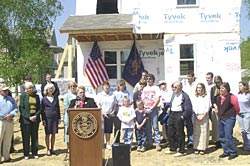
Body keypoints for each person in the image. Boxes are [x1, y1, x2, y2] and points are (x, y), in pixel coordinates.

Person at [165, 81, 192, 157]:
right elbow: (171, 103)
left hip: (179, 114)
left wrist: (183, 116)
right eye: (173, 87)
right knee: (170, 132)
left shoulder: (185, 96)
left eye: (175, 87)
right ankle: (173, 148)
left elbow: (188, 108)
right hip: (172, 114)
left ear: (180, 87)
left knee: (179, 133)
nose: (174, 89)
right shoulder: (173, 94)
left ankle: (181, 150)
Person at [214, 82, 240, 160]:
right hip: (221, 118)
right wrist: (215, 107)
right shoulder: (218, 97)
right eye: (220, 88)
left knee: (228, 135)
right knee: (221, 135)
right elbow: (216, 104)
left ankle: (233, 152)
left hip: (229, 118)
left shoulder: (232, 97)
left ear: (227, 89)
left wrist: (233, 115)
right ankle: (226, 151)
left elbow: (237, 108)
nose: (221, 89)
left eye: (223, 88)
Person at [19, 82, 41, 160]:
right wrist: (29, 117)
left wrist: (36, 116)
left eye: (32, 87)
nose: (31, 89)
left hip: (35, 119)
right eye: (29, 88)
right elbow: (22, 108)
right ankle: (26, 153)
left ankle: (35, 153)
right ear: (26, 89)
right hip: (26, 120)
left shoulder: (37, 96)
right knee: (26, 137)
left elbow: (39, 107)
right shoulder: (23, 96)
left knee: (34, 137)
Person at [141, 73, 162, 151]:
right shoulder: (145, 89)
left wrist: (152, 107)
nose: (149, 80)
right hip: (146, 110)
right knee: (148, 127)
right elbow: (143, 99)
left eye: (150, 79)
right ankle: (150, 142)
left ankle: (157, 143)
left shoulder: (156, 88)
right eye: (147, 79)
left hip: (153, 110)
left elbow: (158, 99)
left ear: (153, 80)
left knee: (155, 127)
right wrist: (145, 107)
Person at [95, 81, 116, 149]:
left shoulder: (112, 95)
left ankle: (108, 143)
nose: (106, 87)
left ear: (109, 87)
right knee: (101, 130)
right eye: (105, 86)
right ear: (103, 87)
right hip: (101, 114)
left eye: (108, 86)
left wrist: (113, 112)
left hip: (109, 114)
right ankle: (101, 144)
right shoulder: (99, 95)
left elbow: (114, 105)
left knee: (108, 130)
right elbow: (98, 105)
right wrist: (102, 112)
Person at [41, 84, 61, 156]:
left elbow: (58, 108)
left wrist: (59, 118)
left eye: (52, 89)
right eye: (49, 89)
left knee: (53, 133)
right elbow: (42, 110)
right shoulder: (43, 99)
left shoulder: (56, 98)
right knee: (47, 134)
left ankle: (52, 149)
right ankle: (48, 149)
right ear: (46, 90)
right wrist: (43, 119)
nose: (51, 90)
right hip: (47, 118)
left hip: (55, 118)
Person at [0, 84, 18, 162]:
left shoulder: (11, 99)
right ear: (0, 91)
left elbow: (15, 108)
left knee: (7, 140)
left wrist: (11, 114)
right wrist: (4, 116)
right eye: (4, 90)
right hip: (1, 121)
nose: (6, 91)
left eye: (7, 90)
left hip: (10, 121)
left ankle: (7, 157)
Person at [193, 83, 210, 155]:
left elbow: (207, 106)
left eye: (200, 88)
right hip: (196, 115)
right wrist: (196, 114)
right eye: (197, 88)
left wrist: (203, 115)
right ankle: (196, 147)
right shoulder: (195, 96)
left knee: (203, 132)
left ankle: (202, 148)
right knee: (197, 132)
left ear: (203, 88)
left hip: (204, 115)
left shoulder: (206, 96)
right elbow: (193, 105)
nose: (199, 89)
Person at [182, 70, 196, 148]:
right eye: (187, 77)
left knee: (192, 125)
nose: (188, 79)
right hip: (186, 108)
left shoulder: (196, 85)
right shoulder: (185, 86)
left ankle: (192, 140)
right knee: (187, 124)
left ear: (193, 77)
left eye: (190, 77)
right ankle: (189, 140)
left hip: (193, 108)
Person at [63, 81, 77, 153]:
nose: (73, 88)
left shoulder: (78, 95)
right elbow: (66, 107)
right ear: (69, 88)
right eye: (71, 87)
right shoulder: (66, 96)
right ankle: (69, 148)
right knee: (68, 134)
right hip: (68, 117)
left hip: (77, 117)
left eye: (74, 86)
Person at [210, 75, 223, 148]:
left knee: (222, 125)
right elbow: (212, 99)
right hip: (215, 109)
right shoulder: (213, 88)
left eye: (218, 82)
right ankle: (217, 141)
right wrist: (215, 106)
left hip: (223, 109)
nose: (217, 84)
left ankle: (223, 140)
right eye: (216, 82)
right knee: (215, 126)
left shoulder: (224, 87)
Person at [237, 81, 250, 151]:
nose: (239, 87)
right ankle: (245, 144)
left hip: (247, 113)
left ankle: (249, 145)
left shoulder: (248, 94)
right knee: (242, 130)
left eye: (241, 86)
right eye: (239, 86)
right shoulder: (238, 94)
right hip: (239, 114)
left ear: (245, 86)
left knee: (247, 130)